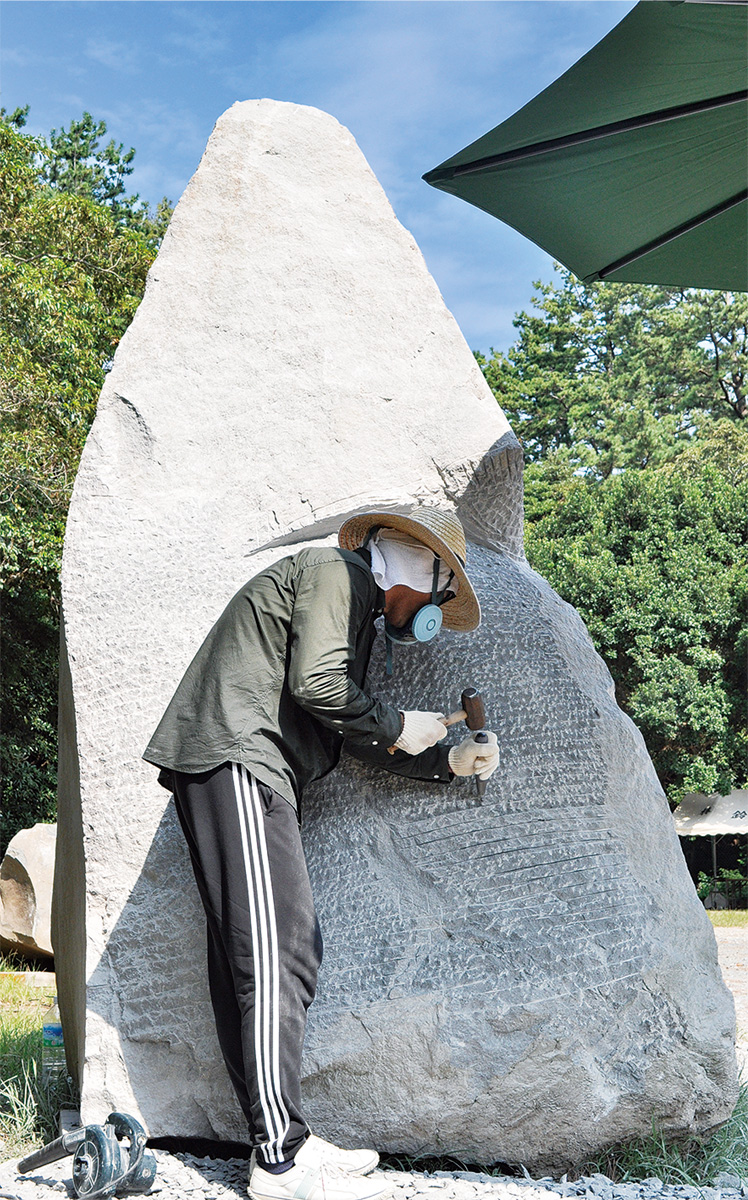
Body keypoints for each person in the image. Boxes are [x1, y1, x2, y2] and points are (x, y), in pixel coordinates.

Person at [143, 506, 499, 1200]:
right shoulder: (336, 573)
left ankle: (284, 1139)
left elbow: (345, 725)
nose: (434, 610)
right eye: (440, 591)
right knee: (283, 951)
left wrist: (449, 762)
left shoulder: (349, 608)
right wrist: (401, 721)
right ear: (417, 568)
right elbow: (321, 688)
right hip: (237, 757)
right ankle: (279, 1162)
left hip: (250, 767)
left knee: (266, 955)